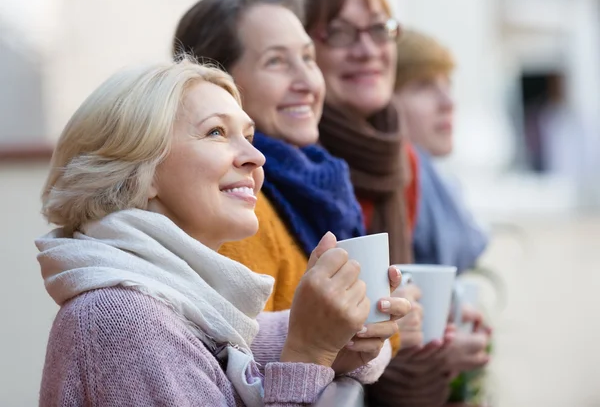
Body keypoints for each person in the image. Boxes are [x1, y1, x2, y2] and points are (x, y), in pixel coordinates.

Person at [35, 59, 408, 406]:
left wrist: (337, 342)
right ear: (140, 171)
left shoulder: (195, 309)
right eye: (216, 132)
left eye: (248, 135)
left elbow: (253, 339)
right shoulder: (122, 321)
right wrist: (308, 354)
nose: (255, 157)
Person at [173, 0, 411, 366]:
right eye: (277, 62)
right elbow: (239, 359)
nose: (307, 83)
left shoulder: (317, 182)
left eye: (308, 58)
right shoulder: (233, 200)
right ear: (214, 84)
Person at [286, 0, 455, 406]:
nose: (368, 50)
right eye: (339, 33)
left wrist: (439, 334)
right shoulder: (278, 164)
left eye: (380, 30)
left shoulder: (402, 160)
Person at [393, 29, 488, 273]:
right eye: (423, 86)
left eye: (448, 84)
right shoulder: (392, 189)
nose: (448, 102)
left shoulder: (441, 183)